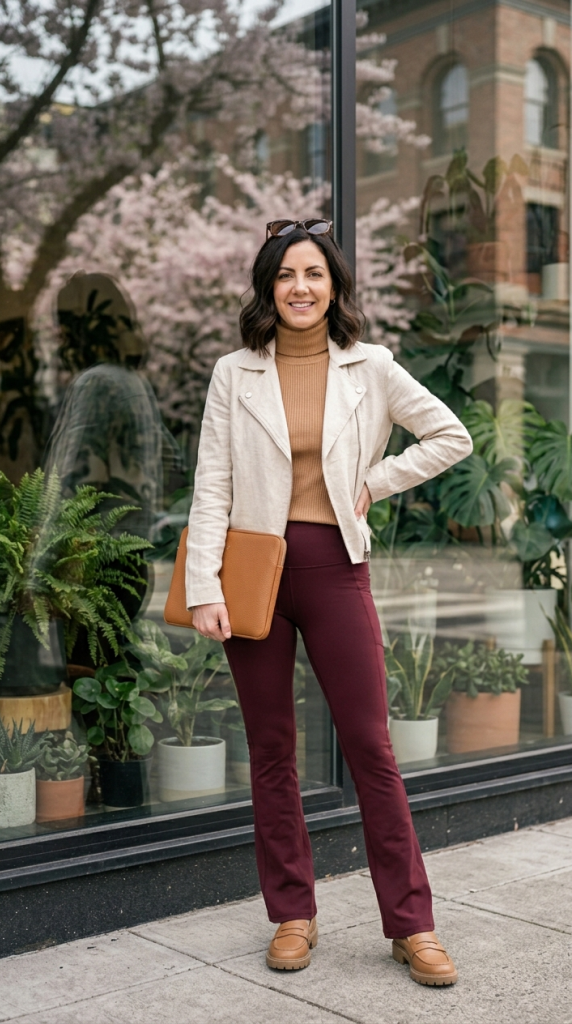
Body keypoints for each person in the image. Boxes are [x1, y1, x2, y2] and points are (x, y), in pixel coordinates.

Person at [186, 220, 472, 986]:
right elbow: (211, 483)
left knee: (371, 748)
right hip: (253, 571)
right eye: (285, 275)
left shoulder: (370, 366)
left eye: (313, 273)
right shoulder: (234, 371)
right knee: (271, 752)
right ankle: (291, 914)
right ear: (266, 287)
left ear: (334, 285)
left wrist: (372, 483)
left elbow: (450, 436)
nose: (300, 288)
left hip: (334, 566)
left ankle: (411, 924)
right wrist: (202, 587)